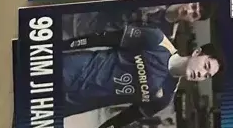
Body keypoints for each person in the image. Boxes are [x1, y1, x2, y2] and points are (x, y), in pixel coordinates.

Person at [61, 15, 220, 118]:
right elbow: (101, 38)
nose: (201, 74)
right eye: (205, 66)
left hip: (75, 103)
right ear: (197, 52)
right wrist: (62, 46)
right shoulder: (156, 40)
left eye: (206, 76)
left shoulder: (165, 98)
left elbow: (124, 119)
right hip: (74, 69)